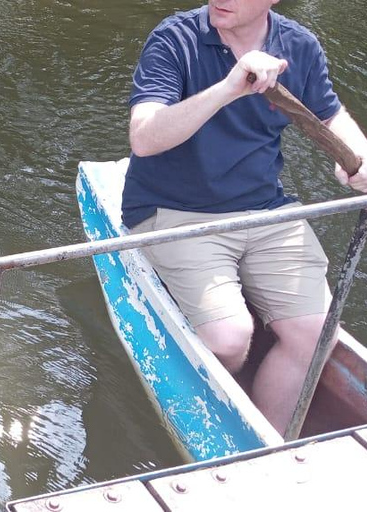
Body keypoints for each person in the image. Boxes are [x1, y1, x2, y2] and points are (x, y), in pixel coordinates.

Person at [123, 0, 367, 436]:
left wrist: (356, 154)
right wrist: (230, 87)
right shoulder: (175, 38)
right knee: (230, 339)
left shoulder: (298, 45)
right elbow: (144, 138)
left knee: (317, 335)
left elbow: (330, 115)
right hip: (176, 208)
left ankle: (263, 447)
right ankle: (223, 403)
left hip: (265, 208)